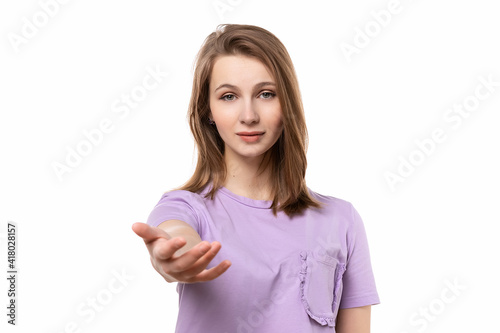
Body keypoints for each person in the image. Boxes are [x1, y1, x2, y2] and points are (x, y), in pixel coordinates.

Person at [132, 23, 380, 332]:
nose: (248, 115)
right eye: (228, 96)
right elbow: (173, 234)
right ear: (207, 109)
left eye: (265, 94)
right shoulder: (185, 207)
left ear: (286, 103)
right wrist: (176, 256)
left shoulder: (341, 220)